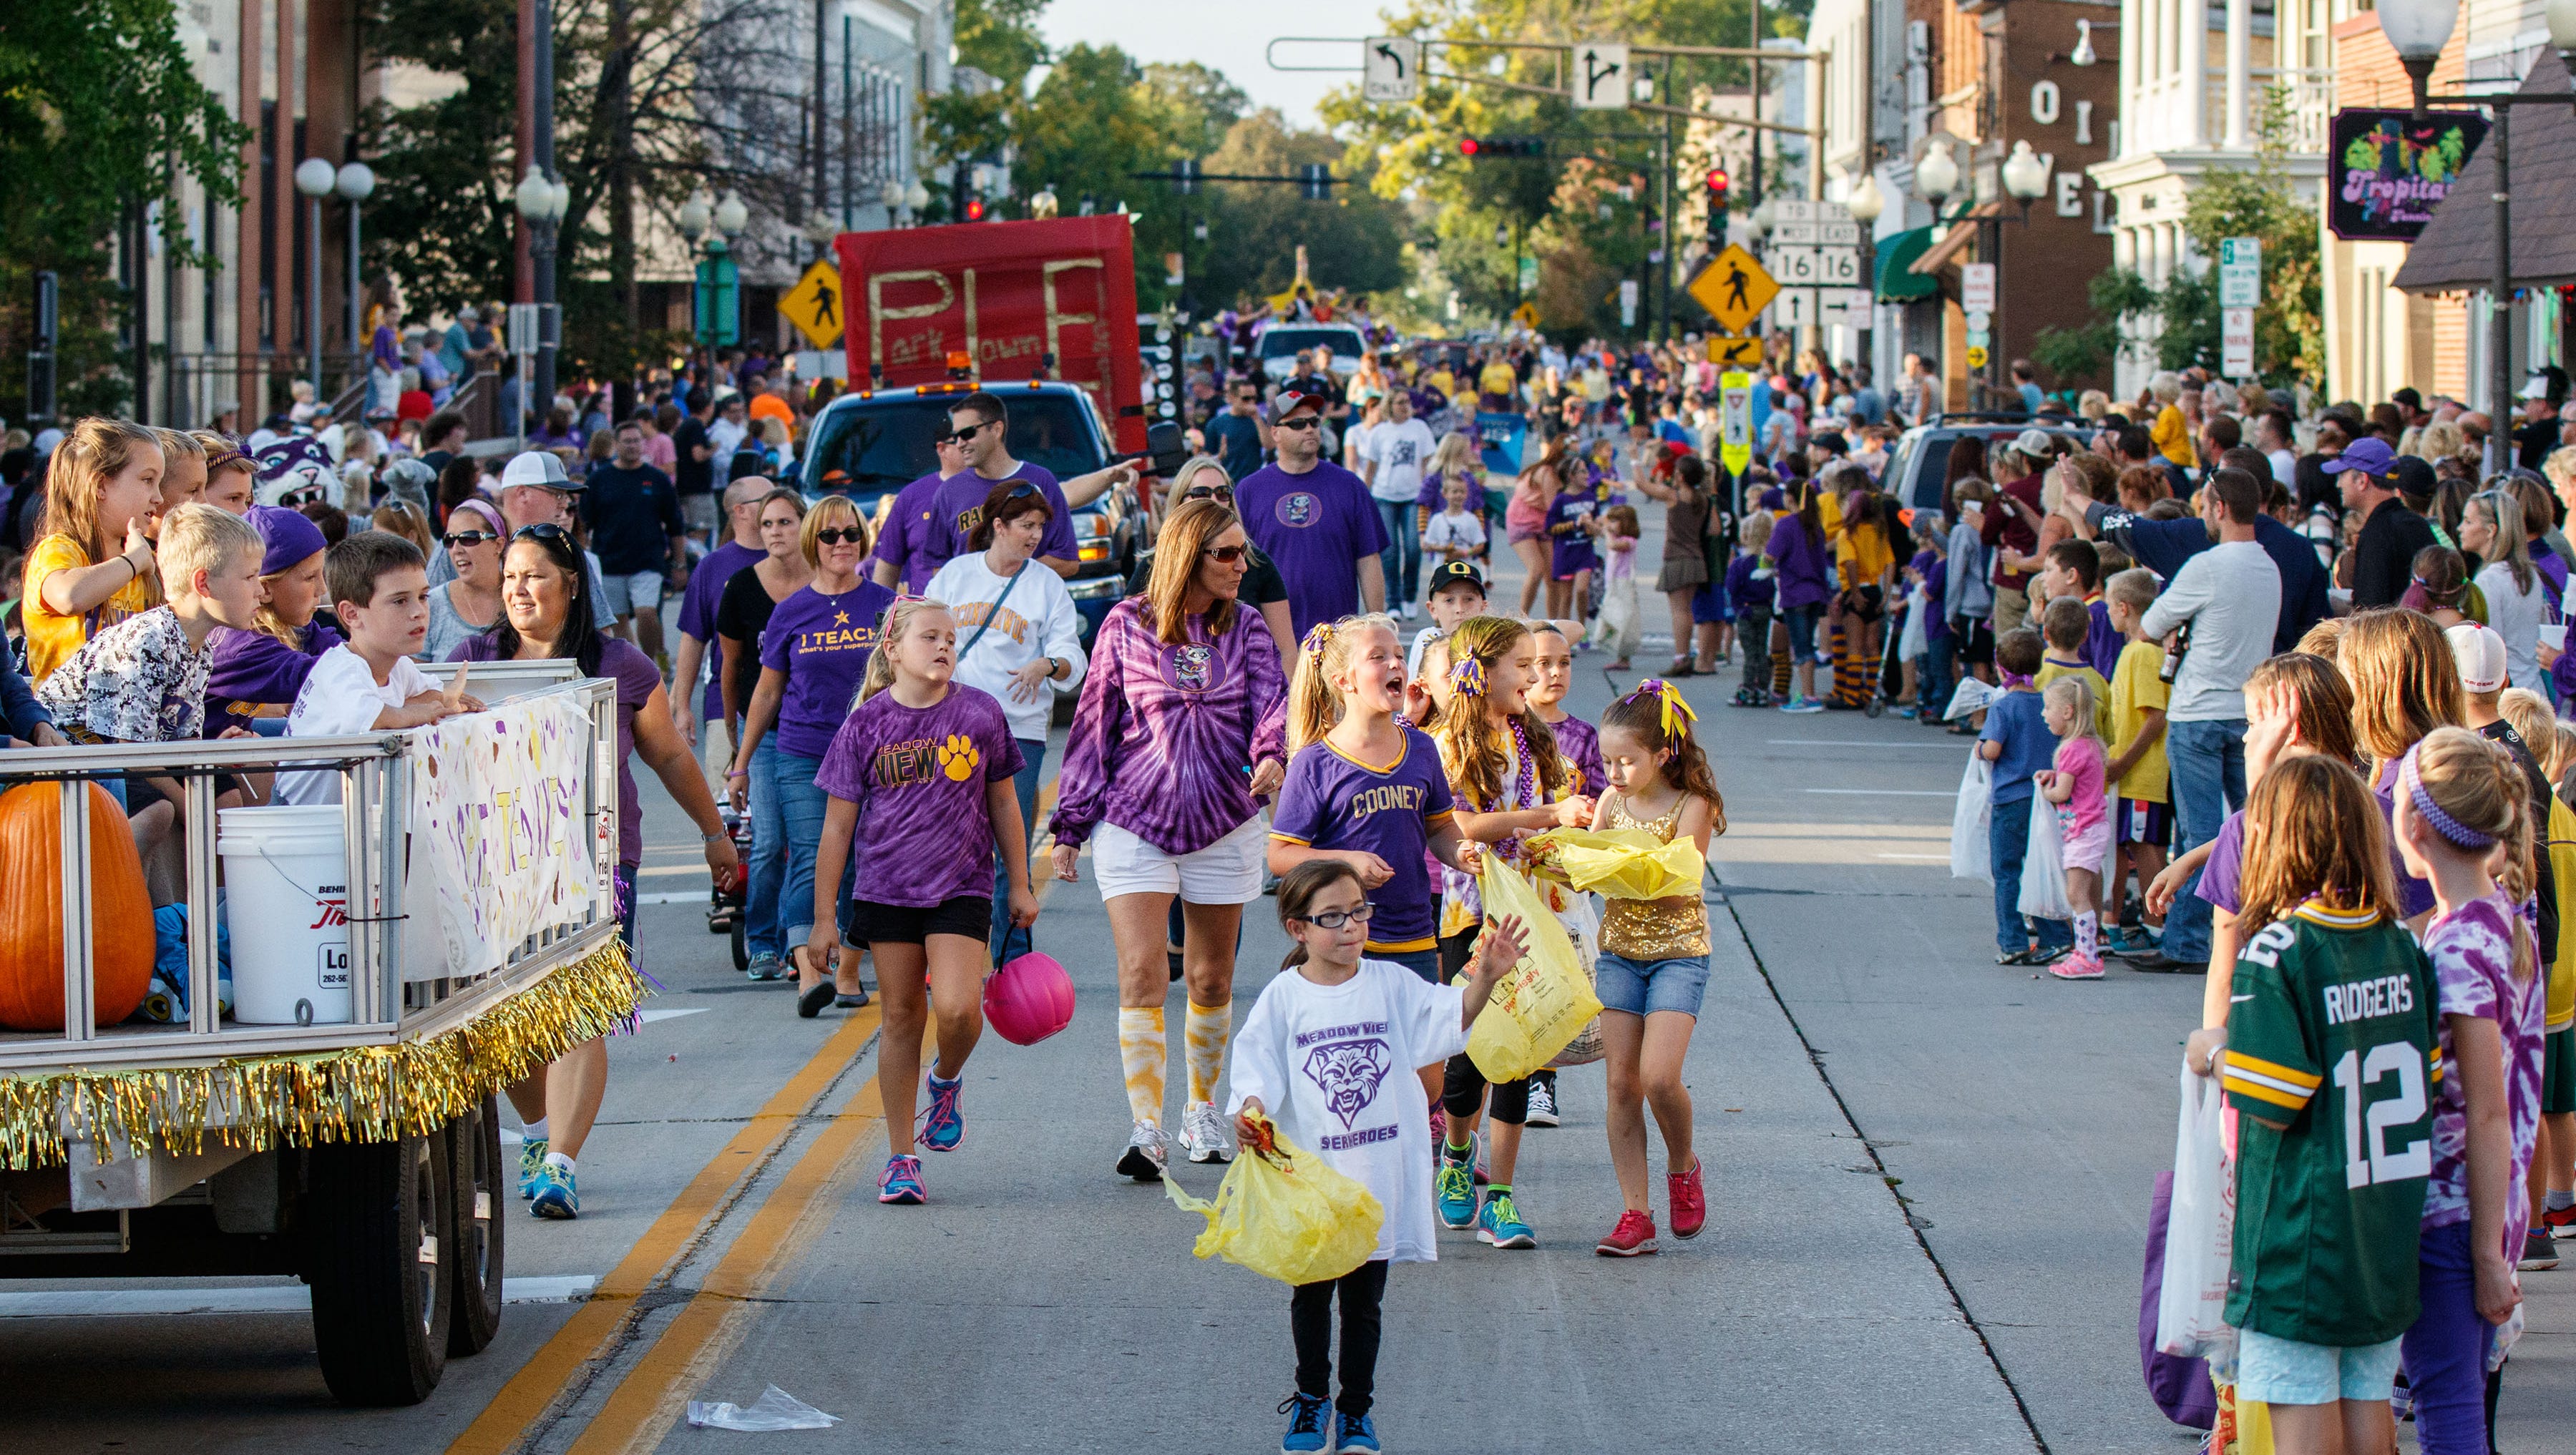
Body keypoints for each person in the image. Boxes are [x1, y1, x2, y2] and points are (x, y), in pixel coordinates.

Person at [454, 524, 740, 1218]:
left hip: (600, 863)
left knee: (582, 1011)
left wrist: (714, 834)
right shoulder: (472, 660)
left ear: (572, 583)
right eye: (512, 576)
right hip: (500, 869)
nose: (520, 589)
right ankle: (536, 1130)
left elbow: (670, 757)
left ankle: (560, 1165)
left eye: (536, 575)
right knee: (506, 1023)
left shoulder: (621, 665)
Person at [1231, 858, 1528, 1455]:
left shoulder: (1391, 985)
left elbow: (1450, 1020)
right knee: (1312, 1295)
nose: (1350, 927)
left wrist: (1487, 979)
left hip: (1375, 1178)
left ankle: (1357, 1412)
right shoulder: (1284, 998)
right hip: (1313, 1180)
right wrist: (1252, 1108)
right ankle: (1312, 1401)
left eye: (1358, 912)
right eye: (1332, 917)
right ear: (1298, 929)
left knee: (1365, 1305)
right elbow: (1256, 1064)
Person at [1050, 499, 1288, 1177]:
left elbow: (1272, 703)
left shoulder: (1245, 628)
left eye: (1245, 553)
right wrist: (1070, 824)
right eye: (1227, 554)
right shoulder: (1126, 625)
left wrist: (1272, 751)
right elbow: (1093, 724)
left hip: (1224, 820)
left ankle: (1201, 1111)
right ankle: (1145, 1127)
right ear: (1187, 555)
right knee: (1143, 972)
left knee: (1212, 976)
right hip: (1136, 822)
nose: (1242, 566)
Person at [2216, 753, 2436, 1455]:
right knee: (2368, 1399)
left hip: (2304, 1240)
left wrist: (2212, 1051)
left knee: (2302, 1408)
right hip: (2385, 1228)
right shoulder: (2405, 947)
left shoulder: (2278, 953)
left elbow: (2272, 1102)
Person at [809, 597, 1036, 1205]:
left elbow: (1006, 804)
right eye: (930, 637)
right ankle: (900, 1157)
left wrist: (1020, 881)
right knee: (902, 1018)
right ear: (893, 649)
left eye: (950, 639)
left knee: (961, 1009)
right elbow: (836, 829)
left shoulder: (980, 713)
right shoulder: (865, 725)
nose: (943, 647)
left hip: (961, 884)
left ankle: (947, 1078)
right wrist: (824, 917)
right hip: (885, 890)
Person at [2391, 727, 2545, 1451]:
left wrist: (2486, 1253)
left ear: (2416, 825)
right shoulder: (2500, 921)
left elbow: (2483, 1108)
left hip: (2454, 1212)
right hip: (2492, 1201)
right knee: (2461, 1399)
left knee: (2448, 1409)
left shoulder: (2455, 948)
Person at [1427, 616, 1594, 1249]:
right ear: (1483, 672)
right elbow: (1460, 823)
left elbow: (1549, 817)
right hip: (1470, 917)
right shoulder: (1448, 743)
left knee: (1521, 1054)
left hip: (1532, 913)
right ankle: (1458, 1154)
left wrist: (1566, 839)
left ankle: (1502, 1196)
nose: (1535, 677)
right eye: (1522, 666)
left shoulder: (1532, 738)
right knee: (1470, 1057)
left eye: (1539, 665)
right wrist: (1544, 814)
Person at [1267, 614, 1471, 1114]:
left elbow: (1439, 828)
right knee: (1356, 1074)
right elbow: (1280, 856)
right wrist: (1347, 861)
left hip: (1415, 933)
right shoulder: (1316, 762)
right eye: (1378, 656)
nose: (1395, 663)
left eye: (1398, 654)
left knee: (1426, 1084)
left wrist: (1463, 853)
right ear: (1344, 680)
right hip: (1345, 940)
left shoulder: (1421, 748)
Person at [727, 496, 897, 1014]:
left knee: (855, 866)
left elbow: (906, 682)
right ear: (813, 544)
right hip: (802, 753)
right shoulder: (791, 611)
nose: (841, 544)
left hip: (871, 756)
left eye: (850, 535)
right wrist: (741, 764)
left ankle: (846, 968)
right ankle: (808, 972)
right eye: (829, 536)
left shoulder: (887, 605)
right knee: (807, 856)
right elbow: (767, 692)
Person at [928, 479, 1088, 964]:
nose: (1035, 536)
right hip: (951, 726)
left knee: (1009, 852)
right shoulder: (955, 577)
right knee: (951, 844)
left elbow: (1071, 654)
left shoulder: (1046, 585)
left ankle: (1010, 958)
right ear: (997, 525)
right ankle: (949, 953)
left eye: (1040, 526)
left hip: (1018, 730)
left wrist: (1048, 665)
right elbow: (920, 633)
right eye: (1026, 525)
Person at [1587, 681, 1722, 1255]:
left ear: (1662, 754)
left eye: (1626, 762)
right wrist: (1554, 855)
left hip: (1678, 953)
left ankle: (1682, 1164)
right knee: (1621, 1083)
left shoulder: (1694, 804)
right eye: (1606, 762)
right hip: (1619, 950)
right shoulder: (1609, 803)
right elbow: (1583, 863)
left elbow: (1677, 882)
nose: (1614, 774)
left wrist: (1603, 865)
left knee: (1659, 1077)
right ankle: (1635, 1214)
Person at [2142, 468, 2282, 971]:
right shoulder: (2269, 566)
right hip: (2248, 710)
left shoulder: (2208, 565)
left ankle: (2186, 941)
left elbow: (2151, 622)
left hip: (2198, 708)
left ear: (2220, 508)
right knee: (2255, 825)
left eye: (2205, 504)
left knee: (2198, 829)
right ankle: (2255, 929)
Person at [277, 533, 480, 805]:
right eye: (399, 601)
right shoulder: (341, 669)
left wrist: (446, 700)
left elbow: (430, 695)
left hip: (341, 820)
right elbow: (372, 715)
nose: (418, 611)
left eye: (423, 597)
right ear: (352, 614)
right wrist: (418, 711)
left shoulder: (398, 665)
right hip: (295, 821)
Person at [716, 488, 813, 982]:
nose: (776, 532)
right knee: (771, 839)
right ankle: (763, 942)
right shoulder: (740, 588)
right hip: (766, 732)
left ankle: (811, 939)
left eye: (785, 522)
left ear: (804, 525)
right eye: (768, 524)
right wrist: (737, 742)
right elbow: (731, 669)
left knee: (812, 842)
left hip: (818, 731)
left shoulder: (822, 585)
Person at [1235, 386, 1387, 637]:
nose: (1309, 429)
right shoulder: (1249, 490)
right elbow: (1238, 564)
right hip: (1270, 636)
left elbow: (1369, 560)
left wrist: (1377, 625)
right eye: (1297, 424)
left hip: (1337, 636)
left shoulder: (1349, 486)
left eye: (1314, 422)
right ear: (1275, 433)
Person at [26, 418, 164, 687]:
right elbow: (69, 596)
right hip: (66, 723)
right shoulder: (59, 549)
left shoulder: (143, 561)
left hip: (131, 723)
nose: (158, 497)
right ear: (100, 485)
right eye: (148, 480)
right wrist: (133, 561)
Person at [670, 476, 771, 787]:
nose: (776, 503)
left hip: (786, 707)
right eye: (766, 499)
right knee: (728, 809)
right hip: (724, 706)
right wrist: (682, 704)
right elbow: (693, 639)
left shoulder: (795, 559)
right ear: (740, 511)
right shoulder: (712, 567)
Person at [204, 505, 340, 736]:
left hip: (226, 750)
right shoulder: (241, 645)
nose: (322, 588)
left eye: (322, 574)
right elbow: (316, 677)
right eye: (310, 578)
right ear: (265, 589)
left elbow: (340, 652)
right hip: (185, 765)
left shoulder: (295, 628)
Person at [1979, 629, 2069, 964]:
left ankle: (2013, 940)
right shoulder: (2046, 703)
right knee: (2042, 867)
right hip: (2045, 797)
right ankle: (2055, 936)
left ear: (2000, 669)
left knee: (2006, 871)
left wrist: (1979, 747)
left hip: (2011, 799)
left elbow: (1992, 749)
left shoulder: (2002, 708)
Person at [2101, 569, 2172, 962]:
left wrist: (2122, 763)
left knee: (2147, 848)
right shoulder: (2135, 651)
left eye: (2111, 606)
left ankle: (2155, 924)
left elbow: (2155, 717)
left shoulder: (2144, 653)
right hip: (2129, 776)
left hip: (2142, 775)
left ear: (2124, 607)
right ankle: (2122, 920)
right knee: (2128, 845)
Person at [581, 419, 688, 658]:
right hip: (609, 561)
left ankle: (654, 661)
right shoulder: (600, 480)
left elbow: (675, 525)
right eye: (627, 441)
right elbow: (584, 522)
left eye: (637, 440)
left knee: (647, 613)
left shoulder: (657, 479)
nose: (632, 445)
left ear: (644, 444)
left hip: (648, 561)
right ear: (616, 444)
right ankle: (634, 664)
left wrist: (680, 564)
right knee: (616, 621)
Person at [2036, 675, 2112, 979]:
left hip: (2082, 829)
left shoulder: (2070, 749)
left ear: (2067, 712)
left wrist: (2045, 792)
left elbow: (2062, 793)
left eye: (2048, 708)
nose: (2044, 714)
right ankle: (2085, 949)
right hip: (2092, 827)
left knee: (2076, 894)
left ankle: (2088, 956)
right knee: (2085, 891)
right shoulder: (2089, 745)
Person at [1630, 453, 1717, 678]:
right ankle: (1686, 655)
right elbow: (1714, 530)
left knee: (1679, 611)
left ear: (1680, 475)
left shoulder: (1674, 495)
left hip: (1677, 559)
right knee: (1688, 610)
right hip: (1697, 559)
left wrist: (1634, 459)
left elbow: (1641, 484)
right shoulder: (1705, 500)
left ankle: (1681, 657)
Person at [2331, 437, 2440, 610]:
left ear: (2362, 480)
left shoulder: (2378, 534)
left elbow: (2371, 612)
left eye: (2342, 475)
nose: (2338, 484)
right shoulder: (2416, 523)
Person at [2458, 486, 2547, 693]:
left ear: (2491, 530)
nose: (2460, 528)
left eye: (2468, 521)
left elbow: (2489, 648)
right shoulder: (2530, 574)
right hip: (2534, 687)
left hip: (2508, 693)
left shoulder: (2488, 580)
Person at [1357, 390, 1435, 619]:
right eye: (1400, 402)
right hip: (1384, 496)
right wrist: (1366, 496)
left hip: (1413, 497)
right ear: (1390, 405)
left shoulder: (1419, 428)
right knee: (1389, 552)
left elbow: (1428, 461)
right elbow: (1371, 467)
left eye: (1407, 402)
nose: (1405, 406)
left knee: (1413, 547)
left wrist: (1428, 490)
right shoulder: (1380, 432)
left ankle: (1410, 595)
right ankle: (1393, 602)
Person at [1762, 480, 1835, 713]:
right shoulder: (1815, 525)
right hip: (1816, 591)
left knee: (1801, 646)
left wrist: (1761, 566)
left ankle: (1808, 696)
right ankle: (1808, 693)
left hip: (1794, 591)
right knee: (1807, 645)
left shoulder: (1786, 524)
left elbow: (1770, 556)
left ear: (1791, 498)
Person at [869, 431, 972, 593]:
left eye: (972, 437)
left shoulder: (996, 489)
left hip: (982, 611)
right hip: (926, 610)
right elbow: (887, 568)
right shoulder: (912, 496)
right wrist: (881, 615)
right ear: (941, 448)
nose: (967, 445)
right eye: (960, 441)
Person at [424, 499, 506, 663]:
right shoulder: (431, 605)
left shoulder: (521, 600)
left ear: (498, 545)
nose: (456, 549)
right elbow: (414, 681)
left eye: (469, 538)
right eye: (449, 540)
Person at [1504, 439, 1563, 619]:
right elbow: (1552, 507)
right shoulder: (1547, 472)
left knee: (1553, 577)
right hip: (1522, 521)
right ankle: (1520, 619)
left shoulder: (1563, 474)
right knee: (1536, 568)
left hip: (1543, 522)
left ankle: (1553, 623)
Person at [1204, 378, 1268, 484]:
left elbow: (1269, 445)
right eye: (1246, 399)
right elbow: (1206, 459)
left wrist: (1257, 418)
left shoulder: (1260, 420)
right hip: (1228, 484)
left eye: (1254, 398)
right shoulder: (1216, 424)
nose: (1251, 403)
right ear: (1233, 398)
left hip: (1255, 482)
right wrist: (1219, 457)